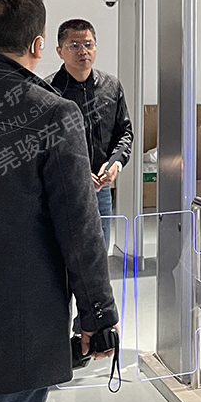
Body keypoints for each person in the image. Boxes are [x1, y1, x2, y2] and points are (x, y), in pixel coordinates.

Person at [0, 0, 118, 402]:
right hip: (15, 339)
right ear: (40, 46)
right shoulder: (53, 114)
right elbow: (80, 230)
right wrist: (97, 316)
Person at [45, 19, 133, 249]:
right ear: (60, 51)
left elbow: (124, 133)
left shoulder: (111, 87)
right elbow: (41, 146)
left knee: (99, 253)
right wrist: (77, 173)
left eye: (88, 44)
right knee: (61, 255)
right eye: (74, 45)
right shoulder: (47, 92)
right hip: (61, 192)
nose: (82, 51)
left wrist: (115, 164)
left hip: (100, 190)